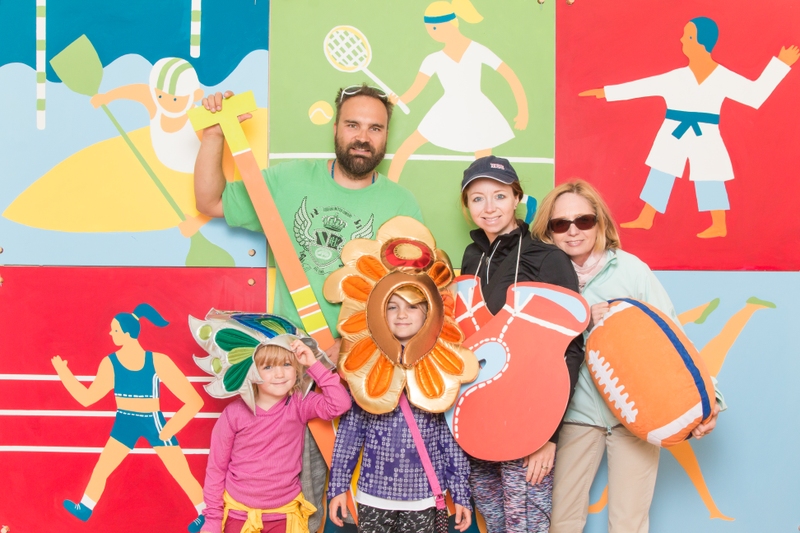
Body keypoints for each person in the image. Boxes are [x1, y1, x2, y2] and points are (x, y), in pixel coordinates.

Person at [194, 84, 423, 531]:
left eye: (375, 128)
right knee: (302, 496)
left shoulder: (402, 206)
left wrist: (349, 343)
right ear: (336, 127)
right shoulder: (287, 182)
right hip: (295, 373)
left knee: (369, 499)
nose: (363, 137)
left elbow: (410, 298)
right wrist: (214, 136)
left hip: (368, 369)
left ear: (386, 136)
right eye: (353, 124)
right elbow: (210, 201)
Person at [530, 180, 724, 533]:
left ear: (599, 223)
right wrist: (583, 318)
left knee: (629, 524)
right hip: (574, 415)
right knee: (561, 522)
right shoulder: (544, 279)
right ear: (548, 231)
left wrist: (710, 401)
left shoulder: (631, 270)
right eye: (561, 224)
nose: (573, 231)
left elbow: (674, 339)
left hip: (637, 417)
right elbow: (534, 347)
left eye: (583, 220)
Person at [581, 17, 799, 238]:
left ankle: (718, 224)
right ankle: (646, 217)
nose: (682, 40)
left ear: (700, 41)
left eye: (688, 36)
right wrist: (605, 92)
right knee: (661, 170)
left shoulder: (722, 77)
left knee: (709, 173)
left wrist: (781, 64)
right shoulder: (677, 77)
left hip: (705, 131)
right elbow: (643, 86)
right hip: (674, 129)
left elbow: (754, 95)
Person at [458, 156, 583, 532]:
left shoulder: (547, 257)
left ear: (517, 198)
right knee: (494, 519)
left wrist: (548, 434)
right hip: (477, 419)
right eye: (477, 198)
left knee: (524, 523)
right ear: (467, 206)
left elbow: (570, 351)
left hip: (528, 420)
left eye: (499, 195)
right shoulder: (471, 257)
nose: (489, 207)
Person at [327, 286, 473, 533]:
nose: (401, 314)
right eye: (392, 306)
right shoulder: (367, 365)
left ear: (429, 313)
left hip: (425, 495)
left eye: (412, 306)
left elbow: (450, 438)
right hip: (373, 495)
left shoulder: (440, 368)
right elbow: (350, 432)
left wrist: (461, 494)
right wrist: (338, 487)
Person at [51, 303, 208, 532]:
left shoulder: (158, 361)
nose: (110, 333)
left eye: (114, 330)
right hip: (125, 421)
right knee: (103, 467)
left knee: (180, 471)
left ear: (127, 333)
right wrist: (64, 373)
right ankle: (85, 507)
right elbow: (87, 398)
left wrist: (171, 427)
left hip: (152, 420)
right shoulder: (110, 363)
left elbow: (194, 401)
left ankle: (206, 512)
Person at [200, 337, 351, 533]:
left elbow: (340, 404)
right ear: (252, 371)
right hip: (239, 515)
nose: (279, 374)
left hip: (284, 515)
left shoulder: (300, 404)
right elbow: (216, 468)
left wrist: (314, 364)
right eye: (268, 367)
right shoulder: (234, 413)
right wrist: (213, 519)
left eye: (287, 364)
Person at [387, 0, 528, 182]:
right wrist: (397, 100)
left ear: (453, 23)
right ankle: (391, 187)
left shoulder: (477, 50)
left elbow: (509, 75)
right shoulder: (433, 59)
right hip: (446, 110)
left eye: (435, 28)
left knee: (484, 165)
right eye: (429, 29)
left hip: (478, 111)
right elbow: (416, 89)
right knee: (406, 148)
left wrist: (523, 111)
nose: (432, 33)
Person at [91, 57, 204, 174]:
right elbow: (138, 91)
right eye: (160, 96)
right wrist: (107, 97)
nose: (167, 103)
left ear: (196, 95)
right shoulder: (156, 108)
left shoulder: (196, 116)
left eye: (175, 99)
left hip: (197, 174)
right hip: (165, 170)